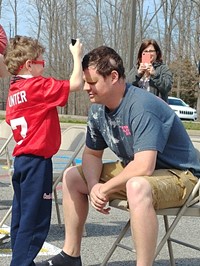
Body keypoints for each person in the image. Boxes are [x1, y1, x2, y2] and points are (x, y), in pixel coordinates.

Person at [37, 46, 200, 266]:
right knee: (73, 177)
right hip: (141, 170)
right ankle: (70, 256)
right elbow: (92, 154)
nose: (86, 87)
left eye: (92, 82)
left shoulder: (142, 106)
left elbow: (144, 166)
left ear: (113, 76)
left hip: (183, 175)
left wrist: (105, 188)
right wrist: (94, 185)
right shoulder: (97, 109)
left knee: (137, 186)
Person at [4, 35, 83, 266]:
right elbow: (75, 84)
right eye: (41, 61)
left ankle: (19, 261)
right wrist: (76, 56)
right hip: (37, 161)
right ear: (29, 64)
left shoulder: (13, 92)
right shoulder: (36, 86)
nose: (43, 65)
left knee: (20, 219)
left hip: (21, 161)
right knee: (36, 221)